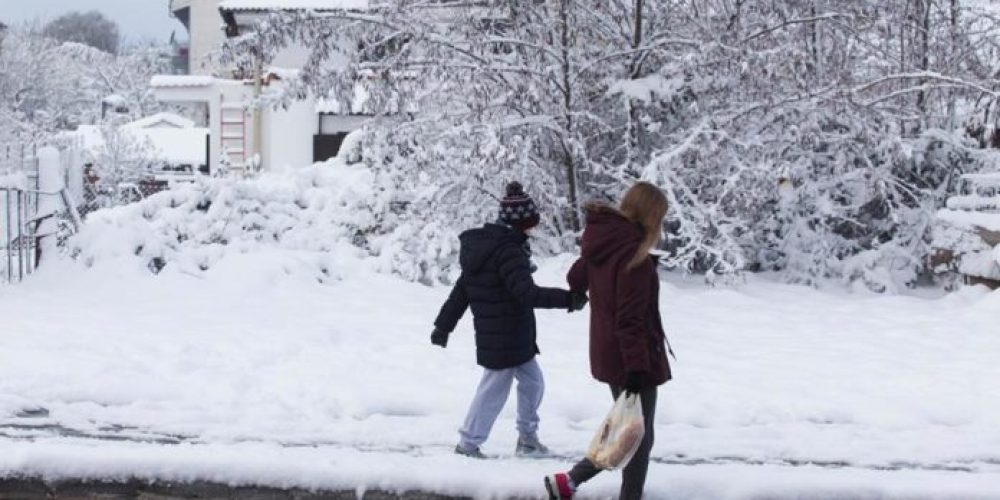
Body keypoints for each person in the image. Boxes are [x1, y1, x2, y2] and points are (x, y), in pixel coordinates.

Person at [432, 181, 589, 459]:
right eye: (531, 224)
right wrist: (568, 299)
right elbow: (526, 293)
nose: (533, 229)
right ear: (522, 224)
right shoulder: (507, 251)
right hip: (503, 337)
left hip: (513, 335)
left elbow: (462, 291)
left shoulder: (492, 247)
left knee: (533, 383)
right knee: (493, 391)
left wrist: (443, 326)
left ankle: (527, 439)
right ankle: (468, 444)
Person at [545, 182, 673, 500]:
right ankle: (597, 487)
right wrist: (637, 369)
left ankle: (570, 482)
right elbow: (629, 320)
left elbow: (576, 279)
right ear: (651, 214)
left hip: (608, 352)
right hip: (631, 357)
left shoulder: (606, 243)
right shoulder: (634, 258)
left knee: (627, 428)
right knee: (637, 436)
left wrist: (592, 265)